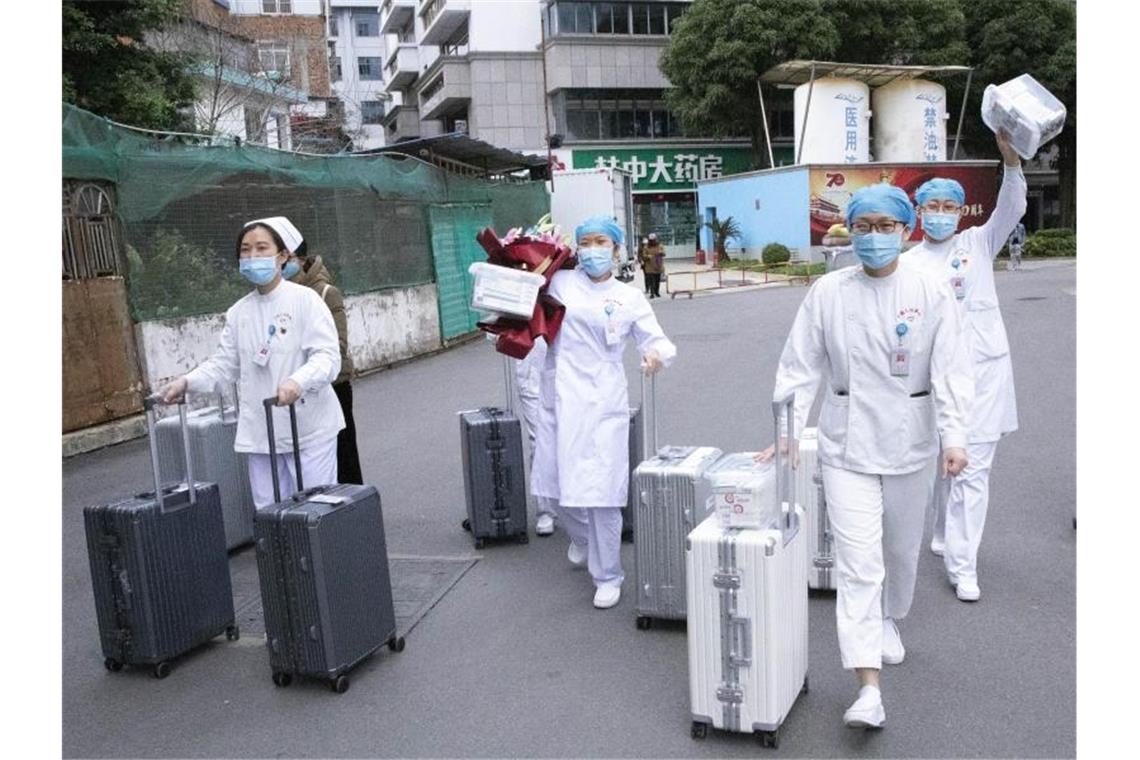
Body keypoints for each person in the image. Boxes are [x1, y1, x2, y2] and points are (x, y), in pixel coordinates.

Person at [759, 184, 972, 729]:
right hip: (846, 442)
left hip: (911, 440)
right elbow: (799, 365)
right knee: (859, 564)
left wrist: (955, 437)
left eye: (885, 226)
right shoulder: (828, 292)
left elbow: (950, 368)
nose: (873, 237)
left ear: (906, 231)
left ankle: (890, 618)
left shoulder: (930, 290)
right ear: (848, 231)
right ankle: (867, 687)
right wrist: (787, 429)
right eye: (863, 226)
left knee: (900, 554)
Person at [903, 130, 1027, 602]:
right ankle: (941, 533)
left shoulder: (978, 243)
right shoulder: (910, 264)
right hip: (932, 378)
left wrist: (1010, 159)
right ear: (919, 212)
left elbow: (1013, 207)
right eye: (931, 207)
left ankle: (963, 564)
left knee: (972, 469)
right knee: (941, 463)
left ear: (960, 211)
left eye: (948, 207)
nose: (940, 214)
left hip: (984, 371)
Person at [531, 215, 677, 609]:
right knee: (557, 488)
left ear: (616, 249)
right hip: (559, 393)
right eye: (586, 242)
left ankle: (608, 574)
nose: (593, 250)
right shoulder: (560, 282)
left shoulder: (629, 297)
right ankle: (580, 539)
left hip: (603, 400)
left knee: (602, 493)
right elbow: (519, 297)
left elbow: (657, 340)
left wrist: (655, 356)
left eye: (602, 242)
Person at [159, 217, 345, 508]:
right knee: (270, 512)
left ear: (282, 256)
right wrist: (188, 382)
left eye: (261, 248)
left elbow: (327, 356)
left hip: (308, 428)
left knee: (315, 512)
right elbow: (224, 365)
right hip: (262, 431)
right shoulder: (238, 313)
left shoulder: (306, 301)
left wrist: (299, 381)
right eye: (245, 250)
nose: (252, 256)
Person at [284, 242, 364, 485]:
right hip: (296, 388)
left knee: (343, 452)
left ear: (300, 257)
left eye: (285, 256)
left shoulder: (325, 292)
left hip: (332, 384)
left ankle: (354, 509)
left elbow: (338, 346)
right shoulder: (279, 295)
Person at [512, 337, 558, 536]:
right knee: (540, 443)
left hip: (572, 372)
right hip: (533, 372)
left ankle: (579, 505)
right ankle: (545, 510)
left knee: (575, 441)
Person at [642, 233, 666, 298]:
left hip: (658, 266)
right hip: (650, 267)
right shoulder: (646, 247)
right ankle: (652, 293)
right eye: (651, 240)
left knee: (657, 280)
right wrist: (648, 256)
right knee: (651, 281)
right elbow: (643, 256)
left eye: (654, 240)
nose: (652, 241)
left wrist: (661, 253)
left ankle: (657, 292)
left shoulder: (660, 246)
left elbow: (664, 253)